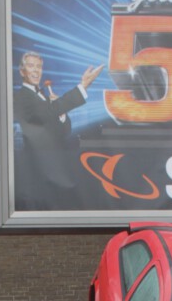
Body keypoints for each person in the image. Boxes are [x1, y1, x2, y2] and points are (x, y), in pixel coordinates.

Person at [13, 51, 104, 209]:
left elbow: (63, 131)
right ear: (22, 71)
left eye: (39, 67)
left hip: (59, 170)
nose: (36, 70)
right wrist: (82, 87)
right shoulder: (21, 97)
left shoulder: (43, 97)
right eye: (31, 66)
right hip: (40, 170)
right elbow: (44, 114)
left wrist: (61, 113)